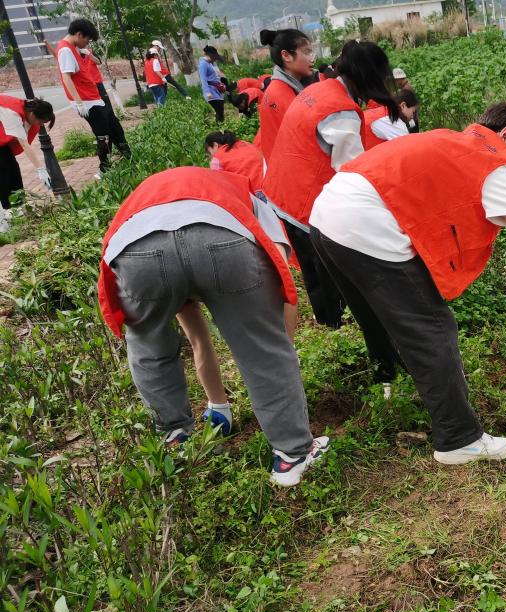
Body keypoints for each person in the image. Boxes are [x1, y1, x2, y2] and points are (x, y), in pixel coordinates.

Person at [308, 100, 506, 464]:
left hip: (326, 214)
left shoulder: (450, 140)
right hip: (363, 223)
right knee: (433, 328)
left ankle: (388, 382)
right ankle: (458, 438)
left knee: (376, 312)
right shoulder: (492, 163)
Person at [97, 166, 327, 486]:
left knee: (151, 350)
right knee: (262, 351)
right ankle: (292, 457)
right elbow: (282, 275)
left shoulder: (144, 199)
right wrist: (279, 351)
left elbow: (195, 336)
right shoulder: (247, 195)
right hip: (222, 237)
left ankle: (176, 443)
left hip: (138, 251)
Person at [263, 40, 396, 332]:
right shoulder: (341, 111)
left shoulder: (319, 88)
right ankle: (338, 327)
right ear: (368, 77)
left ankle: (328, 320)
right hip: (304, 200)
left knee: (313, 269)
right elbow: (352, 174)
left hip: (282, 188)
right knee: (327, 270)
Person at [56, 19, 131, 172]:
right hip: (86, 102)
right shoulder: (65, 50)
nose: (87, 44)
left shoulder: (73, 47)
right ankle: (105, 169)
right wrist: (79, 102)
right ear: (79, 35)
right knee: (104, 135)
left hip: (94, 98)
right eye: (88, 40)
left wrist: (83, 52)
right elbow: (66, 77)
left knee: (114, 127)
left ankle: (129, 157)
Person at [255, 29, 314, 159]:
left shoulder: (285, 87)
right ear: (286, 56)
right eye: (306, 52)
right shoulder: (281, 95)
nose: (312, 59)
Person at [0, 97, 55, 231]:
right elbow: (23, 143)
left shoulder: (29, 107)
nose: (40, 125)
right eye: (40, 122)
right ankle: (5, 219)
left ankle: (17, 207)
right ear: (32, 115)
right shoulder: (12, 113)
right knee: (3, 173)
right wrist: (41, 169)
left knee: (13, 169)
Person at [199, 46, 227, 122]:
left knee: (221, 112)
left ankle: (220, 127)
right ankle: (220, 129)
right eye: (214, 57)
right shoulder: (203, 64)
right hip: (211, 91)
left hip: (218, 90)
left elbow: (217, 74)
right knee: (219, 112)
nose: (215, 59)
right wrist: (207, 92)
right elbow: (203, 79)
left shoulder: (212, 63)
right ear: (209, 55)